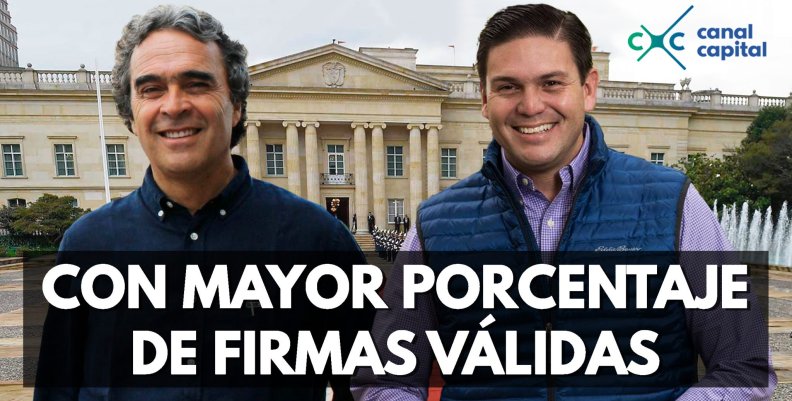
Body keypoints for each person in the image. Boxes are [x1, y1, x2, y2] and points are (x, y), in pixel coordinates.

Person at [353, 4, 774, 401]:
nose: (531, 105)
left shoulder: (673, 202)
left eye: (551, 83)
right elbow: (387, 376)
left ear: (588, 89)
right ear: (484, 99)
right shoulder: (436, 224)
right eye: (508, 86)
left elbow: (744, 366)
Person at [34, 5, 371, 401]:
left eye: (196, 84)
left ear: (237, 105)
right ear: (130, 115)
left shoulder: (319, 241)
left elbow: (371, 387)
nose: (174, 105)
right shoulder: (87, 248)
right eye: (151, 89)